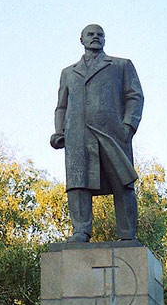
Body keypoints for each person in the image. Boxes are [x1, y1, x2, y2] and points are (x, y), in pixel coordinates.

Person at [51, 24, 144, 242]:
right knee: (78, 183)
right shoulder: (68, 72)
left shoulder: (121, 65)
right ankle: (81, 231)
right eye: (90, 35)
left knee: (123, 182)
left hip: (113, 133)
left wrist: (128, 127)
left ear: (105, 39)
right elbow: (61, 106)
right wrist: (58, 131)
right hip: (77, 135)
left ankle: (128, 234)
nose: (95, 38)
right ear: (81, 39)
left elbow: (135, 96)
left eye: (100, 35)